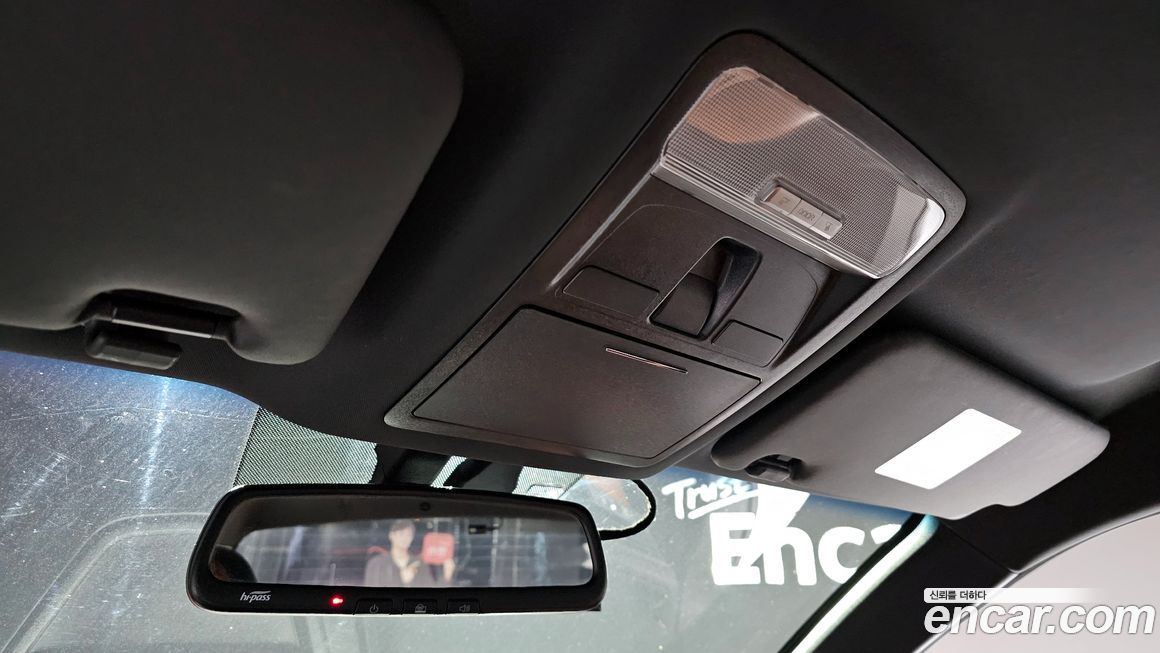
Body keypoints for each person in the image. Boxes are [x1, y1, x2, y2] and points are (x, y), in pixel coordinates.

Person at [362, 520, 455, 587]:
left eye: (409, 534)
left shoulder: (420, 564)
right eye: (401, 533)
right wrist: (401, 580)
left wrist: (447, 576)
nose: (405, 538)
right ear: (391, 535)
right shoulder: (377, 563)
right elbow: (372, 596)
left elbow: (432, 594)